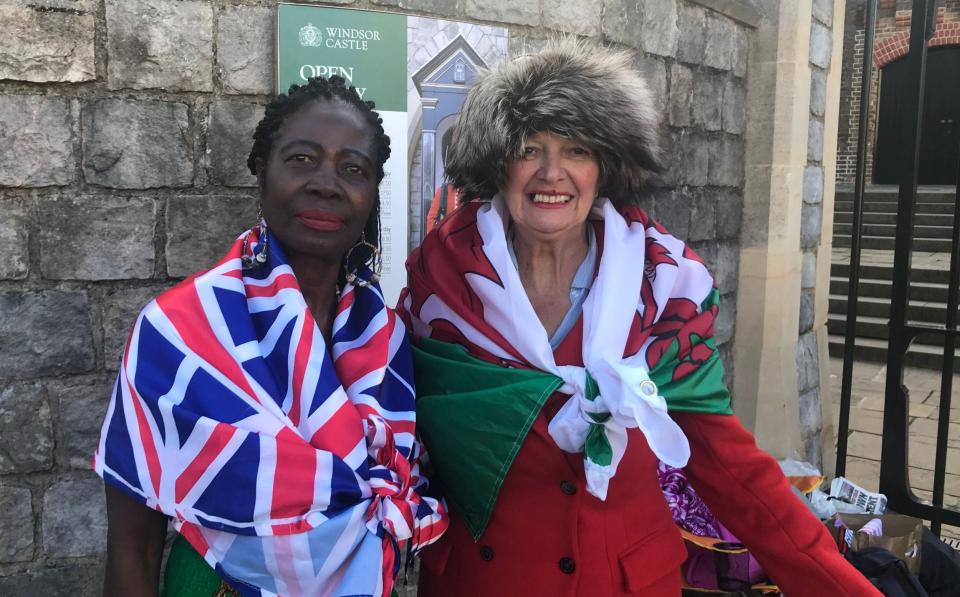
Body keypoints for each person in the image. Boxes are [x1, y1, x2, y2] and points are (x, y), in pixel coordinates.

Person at [398, 39, 882, 596]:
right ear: (498, 164)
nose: (552, 173)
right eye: (529, 148)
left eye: (576, 150)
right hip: (480, 581)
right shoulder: (437, 282)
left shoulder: (667, 289)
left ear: (605, 167)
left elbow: (729, 468)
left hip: (626, 582)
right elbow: (397, 432)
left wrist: (842, 587)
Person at [93, 76, 446, 596]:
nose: (327, 183)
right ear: (262, 173)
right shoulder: (179, 331)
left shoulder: (388, 341)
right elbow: (133, 543)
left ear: (371, 195)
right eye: (302, 159)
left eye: (353, 169)